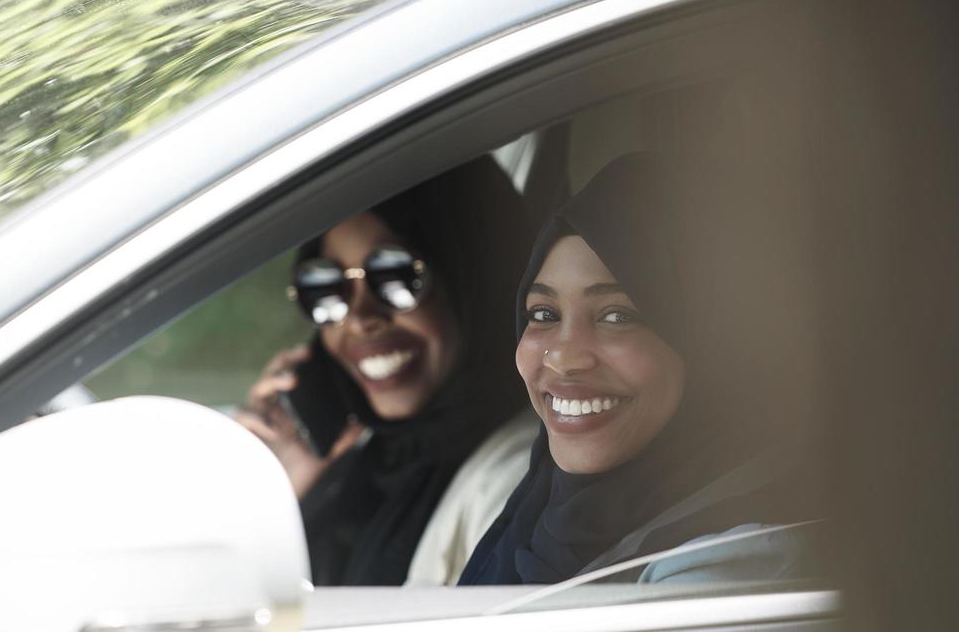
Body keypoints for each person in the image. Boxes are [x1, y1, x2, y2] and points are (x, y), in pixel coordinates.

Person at [459, 153, 817, 587]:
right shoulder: (538, 517)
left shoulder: (728, 562)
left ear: (712, 344)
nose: (564, 357)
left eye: (616, 316)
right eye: (545, 314)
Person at [238, 156, 532, 586]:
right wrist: (282, 491)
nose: (359, 318)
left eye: (393, 275)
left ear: (475, 276)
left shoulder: (517, 480)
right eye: (325, 286)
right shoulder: (371, 459)